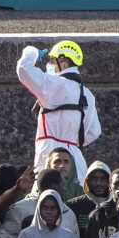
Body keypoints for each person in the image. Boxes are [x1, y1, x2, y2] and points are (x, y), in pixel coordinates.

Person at [16, 40, 101, 184]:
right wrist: (70, 140)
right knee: (77, 201)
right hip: (75, 158)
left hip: (50, 154)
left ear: (63, 61)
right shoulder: (87, 94)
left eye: (53, 61)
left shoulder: (53, 84)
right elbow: (94, 132)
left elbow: (23, 69)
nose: (51, 65)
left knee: (46, 197)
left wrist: (33, 52)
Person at [0, 168, 77, 238]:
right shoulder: (21, 209)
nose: (65, 189)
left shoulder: (68, 214)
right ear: (53, 187)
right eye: (62, 185)